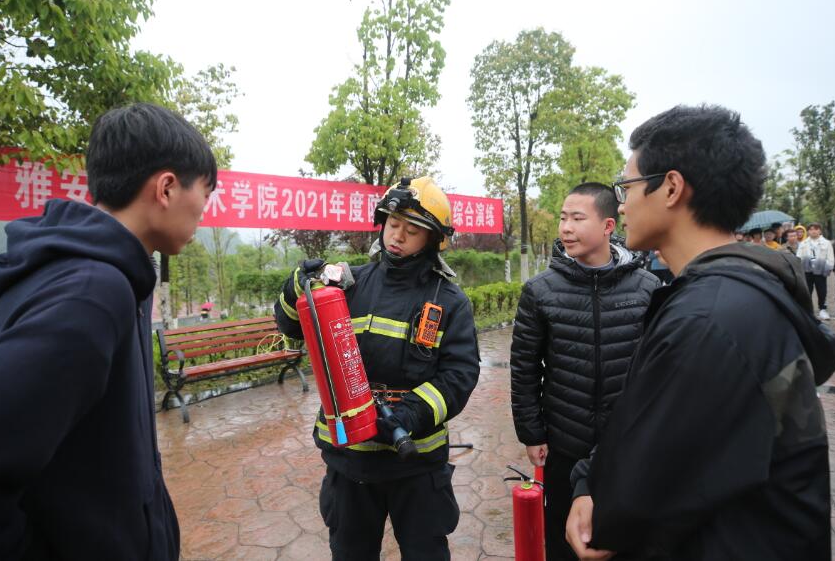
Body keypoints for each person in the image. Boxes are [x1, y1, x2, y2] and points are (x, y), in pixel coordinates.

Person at [567, 104, 835, 561]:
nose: (623, 203)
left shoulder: (709, 319)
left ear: (671, 187)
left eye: (626, 187)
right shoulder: (737, 296)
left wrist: (598, 504)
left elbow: (641, 486)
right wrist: (588, 481)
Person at [0, 103, 216, 559]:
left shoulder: (112, 276)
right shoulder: (93, 292)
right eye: (206, 192)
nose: (204, 210)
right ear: (166, 188)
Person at [274, 176, 480, 561]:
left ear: (432, 240)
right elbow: (292, 326)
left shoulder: (449, 301)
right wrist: (295, 289)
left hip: (415, 463)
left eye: (412, 231)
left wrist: (411, 413)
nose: (397, 236)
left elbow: (459, 377)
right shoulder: (348, 283)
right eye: (393, 224)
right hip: (350, 461)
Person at [510, 183, 658, 560]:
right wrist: (531, 432)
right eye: (563, 218)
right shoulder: (540, 291)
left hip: (626, 445)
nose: (566, 228)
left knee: (625, 540)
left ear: (608, 226)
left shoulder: (647, 288)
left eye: (577, 218)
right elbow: (525, 367)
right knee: (564, 540)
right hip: (565, 444)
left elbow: (655, 371)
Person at [798, 222, 835, 321]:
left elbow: (830, 257)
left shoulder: (826, 243)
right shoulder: (803, 243)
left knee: (822, 290)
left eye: (816, 229)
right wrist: (800, 269)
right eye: (811, 229)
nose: (813, 231)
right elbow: (798, 257)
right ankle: (808, 310)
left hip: (820, 270)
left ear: (820, 231)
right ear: (808, 232)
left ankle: (822, 309)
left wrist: (828, 269)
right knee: (807, 290)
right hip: (807, 270)